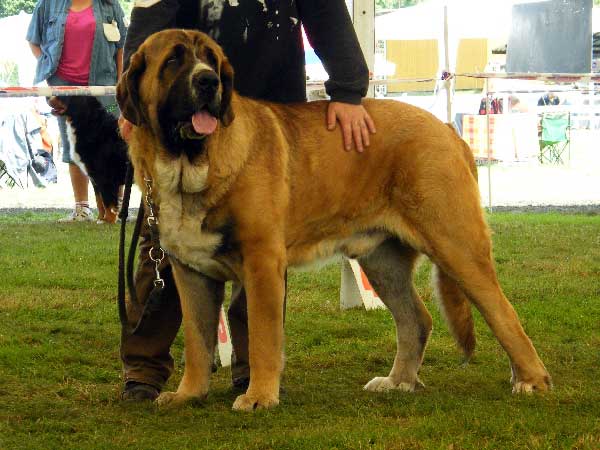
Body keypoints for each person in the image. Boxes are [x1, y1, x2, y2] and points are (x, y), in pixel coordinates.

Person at [119, 0, 376, 401]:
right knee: (164, 247)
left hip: (269, 109)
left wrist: (348, 89)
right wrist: (135, 102)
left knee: (260, 254)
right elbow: (148, 17)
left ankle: (255, 373)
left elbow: (325, 11)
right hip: (174, 110)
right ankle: (145, 369)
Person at [26, 0, 127, 222]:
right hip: (65, 90)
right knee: (76, 149)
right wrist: (48, 64)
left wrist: (120, 82)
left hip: (105, 89)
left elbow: (121, 48)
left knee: (115, 148)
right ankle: (82, 208)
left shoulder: (111, 6)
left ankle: (114, 209)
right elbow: (33, 40)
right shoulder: (47, 5)